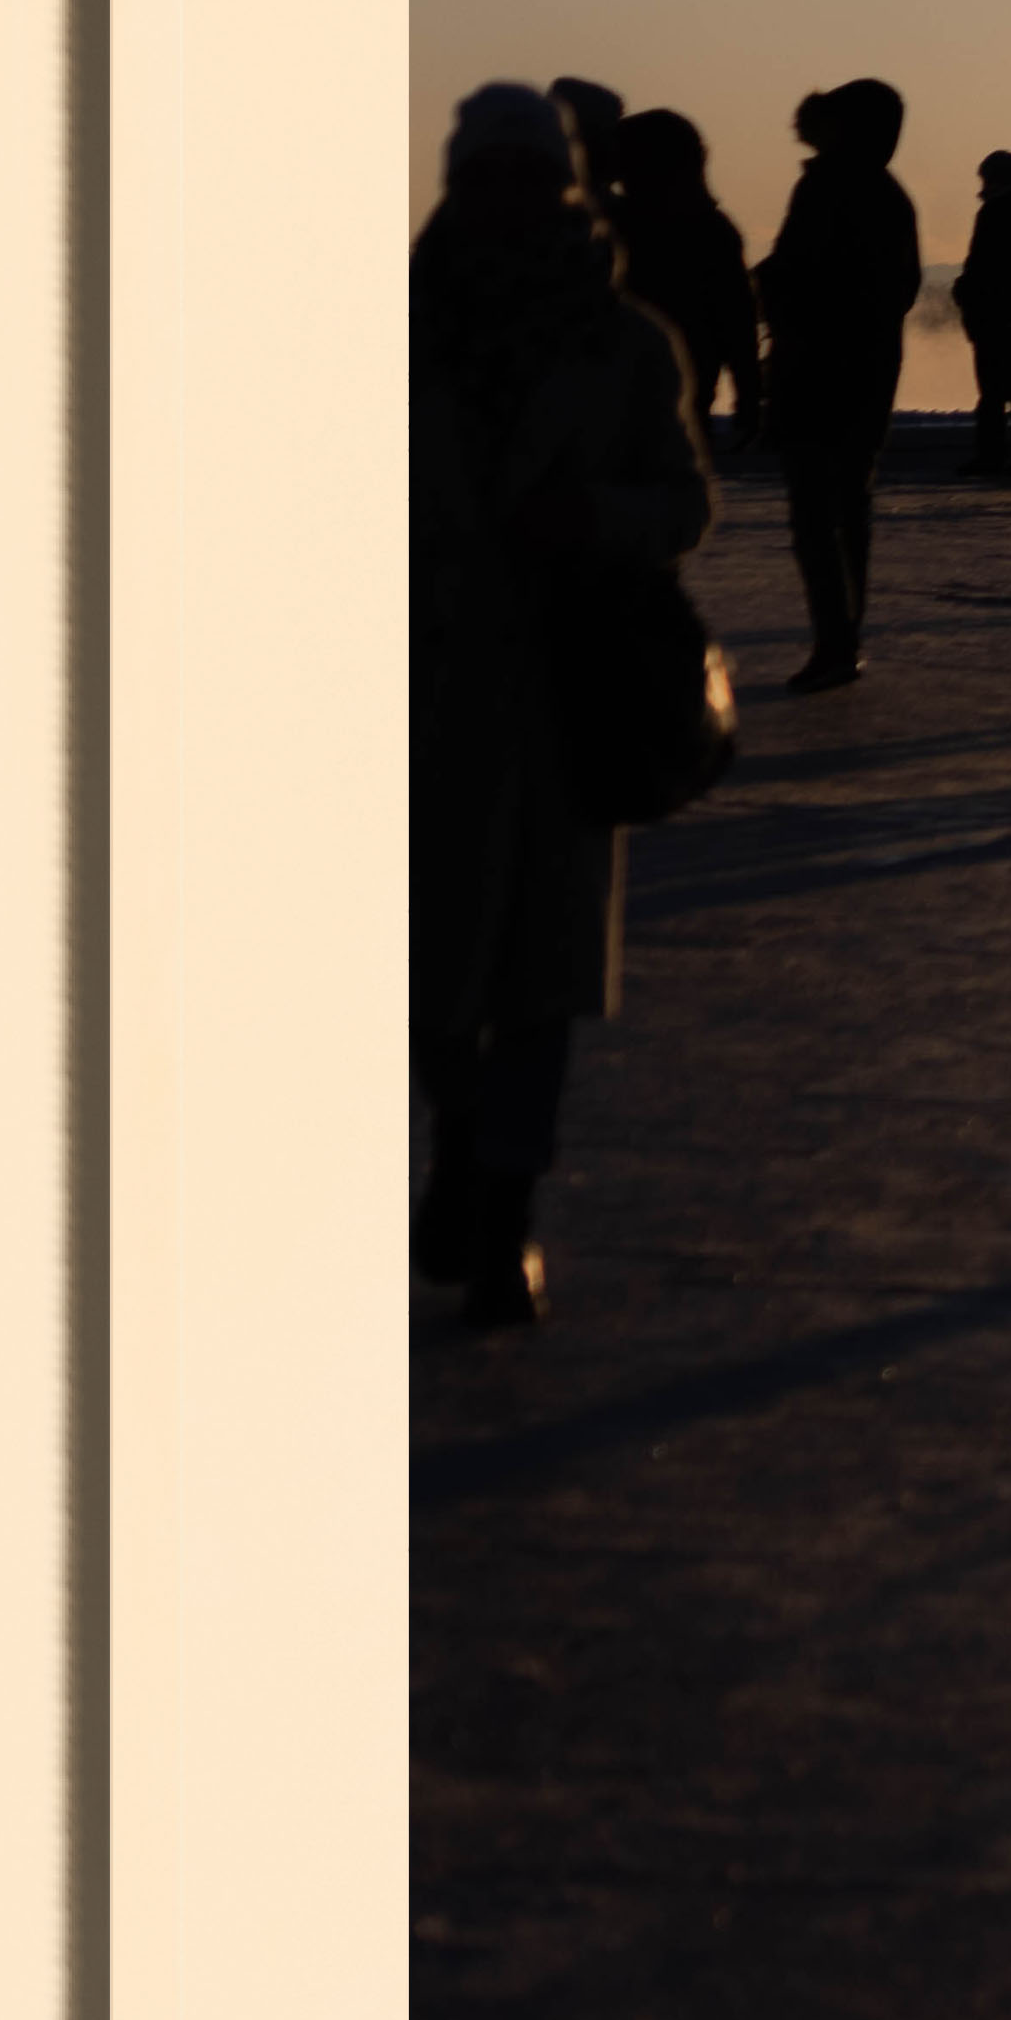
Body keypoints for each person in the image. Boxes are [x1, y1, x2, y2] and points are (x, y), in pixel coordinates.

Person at [412, 81, 716, 1328]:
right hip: (420, 701)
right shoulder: (387, 328)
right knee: (426, 976)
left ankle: (505, 1221)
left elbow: (681, 502)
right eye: (486, 173)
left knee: (536, 984)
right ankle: (464, 1151)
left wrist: (588, 522)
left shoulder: (624, 341)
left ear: (561, 186)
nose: (507, 197)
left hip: (564, 697)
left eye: (528, 175)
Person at [746, 76, 922, 689]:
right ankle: (842, 636)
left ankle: (836, 639)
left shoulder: (827, 188)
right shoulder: (888, 195)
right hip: (866, 371)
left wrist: (770, 291)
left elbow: (801, 272)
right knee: (847, 506)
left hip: (818, 372)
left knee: (818, 513)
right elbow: (899, 290)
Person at [601, 106, 758, 447]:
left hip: (652, 398)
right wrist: (748, 395)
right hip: (672, 395)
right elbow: (737, 324)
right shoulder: (711, 230)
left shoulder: (617, 229)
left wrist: (748, 395)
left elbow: (736, 322)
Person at [952, 151, 1011, 477]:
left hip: (993, 311)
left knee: (992, 389)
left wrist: (965, 290)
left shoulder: (994, 213)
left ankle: (991, 455)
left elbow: (983, 265)